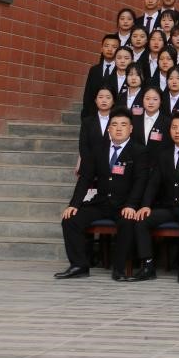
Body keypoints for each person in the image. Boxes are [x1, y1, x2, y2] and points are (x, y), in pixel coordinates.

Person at [55, 108, 146, 280]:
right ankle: (79, 265)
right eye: (114, 125)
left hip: (124, 205)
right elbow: (85, 178)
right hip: (101, 203)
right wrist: (74, 204)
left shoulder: (139, 150)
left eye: (123, 125)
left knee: (127, 222)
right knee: (70, 219)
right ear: (108, 129)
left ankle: (119, 269)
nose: (118, 128)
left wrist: (131, 205)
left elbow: (140, 181)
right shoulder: (98, 149)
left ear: (131, 129)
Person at [124, 110, 179, 283]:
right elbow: (153, 183)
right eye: (174, 127)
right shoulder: (163, 155)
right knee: (141, 220)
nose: (177, 131)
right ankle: (148, 265)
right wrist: (145, 205)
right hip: (167, 207)